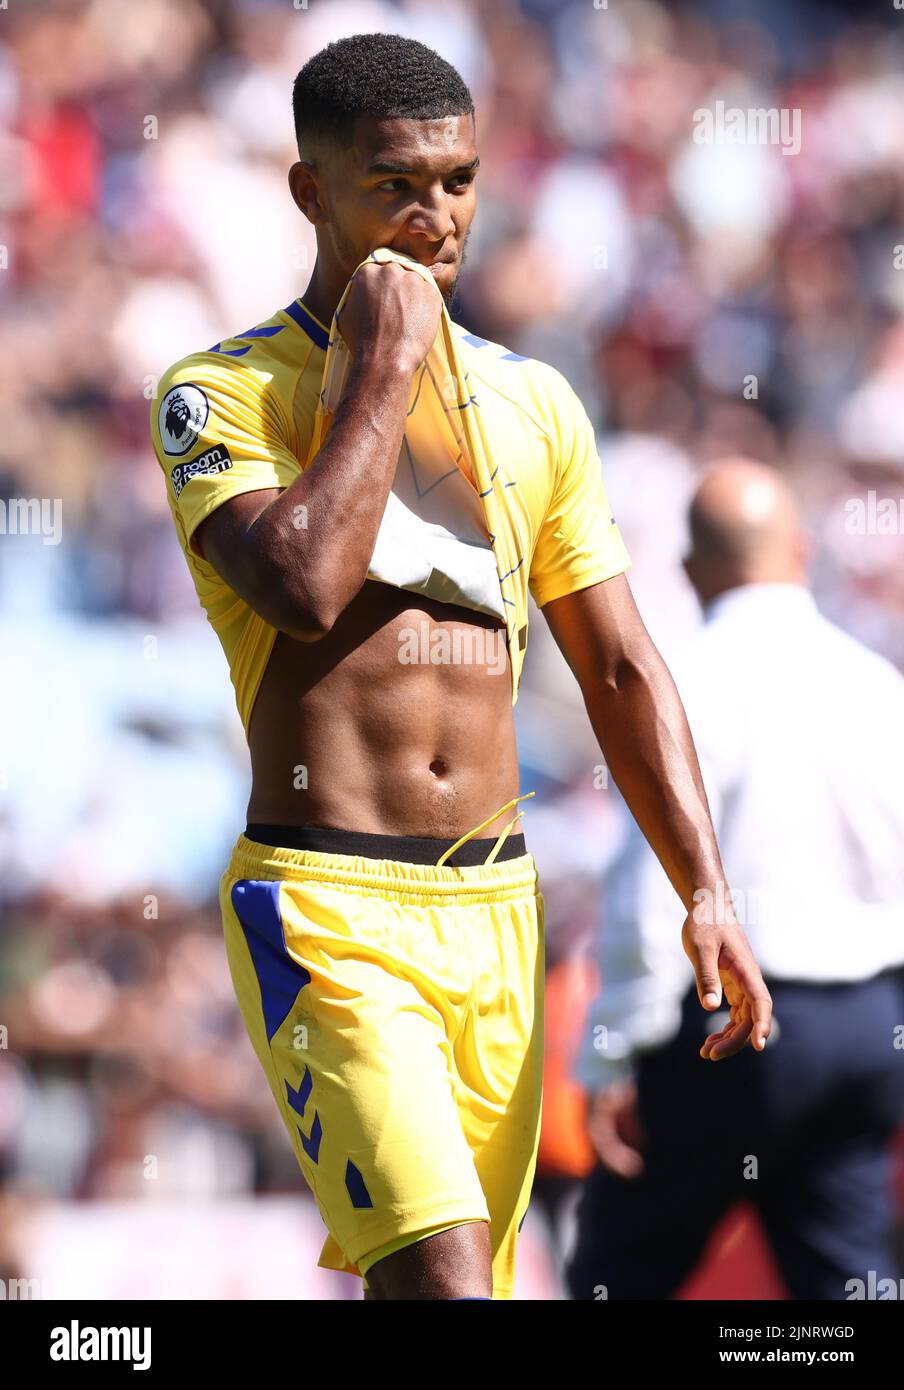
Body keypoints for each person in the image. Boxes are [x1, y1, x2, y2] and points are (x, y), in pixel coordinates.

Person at [149, 35, 771, 1302]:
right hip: (329, 904)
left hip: (498, 912)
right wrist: (381, 363)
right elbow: (305, 585)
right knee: (438, 1277)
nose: (438, 218)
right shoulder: (218, 394)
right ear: (309, 193)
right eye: (395, 186)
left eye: (460, 181)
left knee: (467, 1288)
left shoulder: (536, 402)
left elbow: (619, 665)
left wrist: (706, 888)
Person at [568, 458, 904, 1300]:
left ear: (687, 569)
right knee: (848, 1283)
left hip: (730, 1030)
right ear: (801, 549)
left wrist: (612, 1052)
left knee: (619, 1275)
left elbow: (654, 887)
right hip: (867, 1027)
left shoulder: (685, 685)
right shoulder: (877, 685)